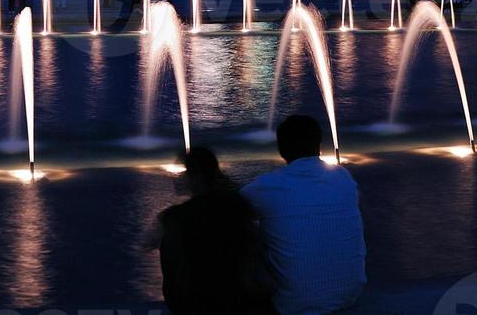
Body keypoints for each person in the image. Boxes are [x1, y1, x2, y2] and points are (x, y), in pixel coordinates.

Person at [240, 115, 365, 315]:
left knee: (246, 229)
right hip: (350, 294)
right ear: (319, 144)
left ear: (281, 149)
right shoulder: (343, 177)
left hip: (291, 304)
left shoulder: (265, 187)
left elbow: (229, 210)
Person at [156, 147, 276, 315]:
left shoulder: (177, 218)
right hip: (246, 305)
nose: (178, 177)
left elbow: (173, 282)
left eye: (183, 172)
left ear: (195, 177)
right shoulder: (239, 207)